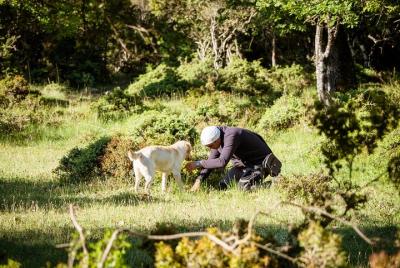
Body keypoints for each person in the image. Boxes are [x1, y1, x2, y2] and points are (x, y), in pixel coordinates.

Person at [186, 126, 275, 191]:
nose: (210, 148)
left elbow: (222, 162)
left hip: (260, 163)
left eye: (210, 145)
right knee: (222, 186)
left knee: (243, 187)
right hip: (243, 165)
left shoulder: (232, 135)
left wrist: (198, 163)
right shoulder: (217, 140)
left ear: (216, 140)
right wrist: (199, 180)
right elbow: (211, 162)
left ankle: (275, 185)